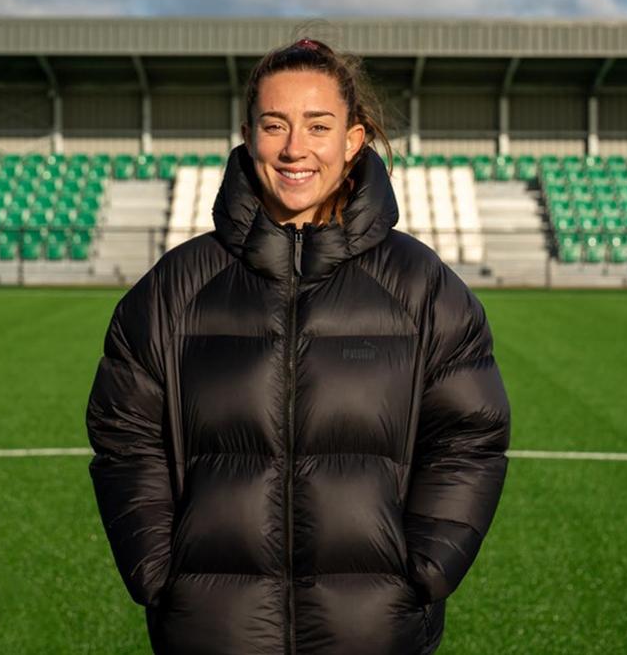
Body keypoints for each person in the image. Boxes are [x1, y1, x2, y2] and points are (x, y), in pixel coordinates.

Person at [86, 37, 511, 655]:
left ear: (352, 141)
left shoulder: (423, 287)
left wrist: (424, 568)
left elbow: (471, 432)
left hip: (371, 631)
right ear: (248, 135)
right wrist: (157, 569)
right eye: (274, 124)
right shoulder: (174, 289)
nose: (294, 148)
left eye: (318, 125)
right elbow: (125, 434)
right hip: (215, 631)